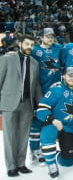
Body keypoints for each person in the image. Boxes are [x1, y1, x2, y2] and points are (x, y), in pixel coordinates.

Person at [0, 34, 42, 177]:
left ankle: (21, 164)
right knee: (10, 137)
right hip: (9, 103)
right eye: (27, 44)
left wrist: (41, 105)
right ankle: (11, 166)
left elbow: (36, 86)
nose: (29, 47)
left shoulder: (35, 63)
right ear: (20, 44)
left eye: (31, 45)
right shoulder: (6, 59)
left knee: (23, 136)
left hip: (27, 104)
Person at [36, 67, 73, 178]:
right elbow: (41, 109)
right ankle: (51, 163)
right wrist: (52, 119)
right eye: (70, 75)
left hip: (70, 128)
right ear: (63, 76)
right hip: (54, 124)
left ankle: (55, 153)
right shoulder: (56, 89)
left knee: (69, 162)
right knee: (48, 132)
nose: (72, 78)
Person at [29, 28, 62, 165]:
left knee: (50, 120)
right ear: (41, 37)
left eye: (52, 36)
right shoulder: (35, 50)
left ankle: (46, 146)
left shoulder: (58, 48)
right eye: (47, 36)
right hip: (38, 91)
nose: (50, 39)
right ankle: (35, 150)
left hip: (53, 93)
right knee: (36, 121)